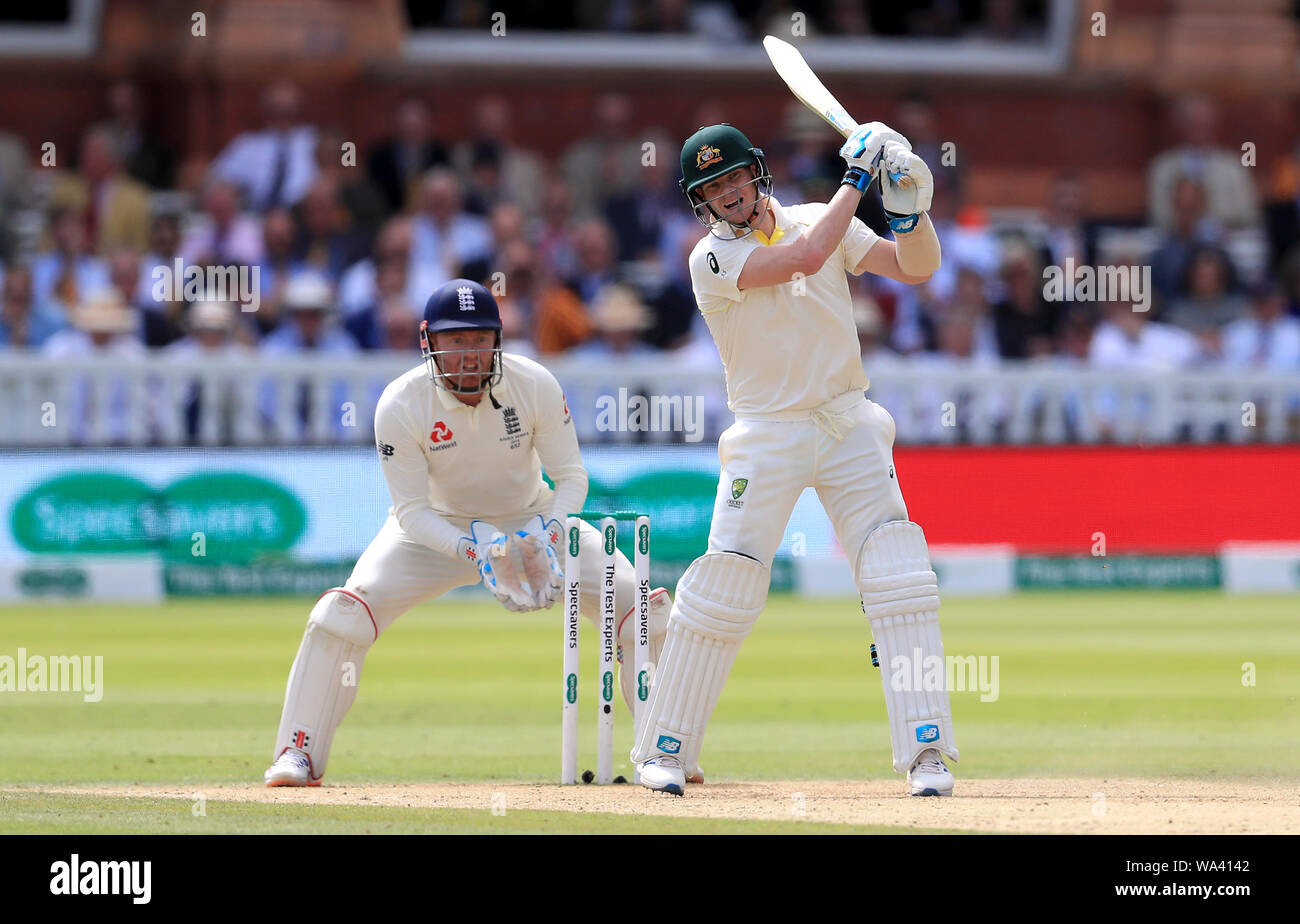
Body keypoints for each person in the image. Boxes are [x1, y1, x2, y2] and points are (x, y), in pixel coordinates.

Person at [630, 122, 957, 797]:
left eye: (733, 178)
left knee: (900, 577)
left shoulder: (817, 217)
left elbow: (917, 267)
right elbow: (805, 258)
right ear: (702, 202)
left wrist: (910, 212)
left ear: (756, 172)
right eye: (712, 188)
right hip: (767, 434)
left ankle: (927, 754)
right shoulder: (710, 260)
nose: (728, 195)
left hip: (847, 424)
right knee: (724, 586)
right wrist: (859, 179)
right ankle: (665, 749)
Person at [264, 278, 675, 786]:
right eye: (455, 340)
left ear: (498, 339)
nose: (468, 353)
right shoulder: (400, 403)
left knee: (640, 602)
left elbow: (571, 479)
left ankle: (667, 751)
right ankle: (297, 754)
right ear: (428, 340)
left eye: (479, 339)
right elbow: (411, 511)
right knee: (341, 614)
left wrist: (546, 534)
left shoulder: (534, 382)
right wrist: (474, 552)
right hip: (436, 534)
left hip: (533, 522)